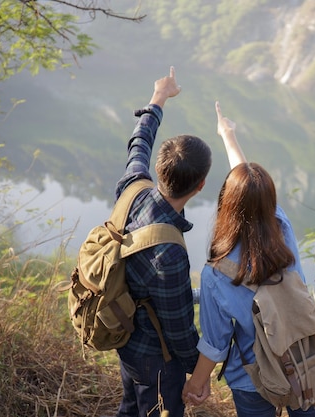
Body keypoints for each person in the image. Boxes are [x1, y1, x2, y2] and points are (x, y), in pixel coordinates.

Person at [181, 102, 315, 417]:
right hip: (307, 361)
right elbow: (252, 192)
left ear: (227, 206)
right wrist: (229, 137)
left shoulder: (217, 274)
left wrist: (197, 383)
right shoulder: (281, 227)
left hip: (254, 378)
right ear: (269, 200)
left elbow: (216, 344)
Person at [114, 66, 212, 417]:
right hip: (155, 359)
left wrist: (159, 97)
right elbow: (180, 329)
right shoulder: (169, 253)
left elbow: (138, 142)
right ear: (200, 186)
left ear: (158, 168)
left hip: (124, 337)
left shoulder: (132, 188)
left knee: (130, 407)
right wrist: (198, 375)